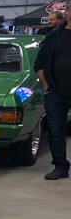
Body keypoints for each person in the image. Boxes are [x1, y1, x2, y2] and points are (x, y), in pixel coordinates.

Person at [34, 14, 71, 179]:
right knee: (56, 131)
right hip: (56, 92)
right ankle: (60, 166)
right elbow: (39, 63)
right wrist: (45, 86)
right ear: (68, 13)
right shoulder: (53, 36)